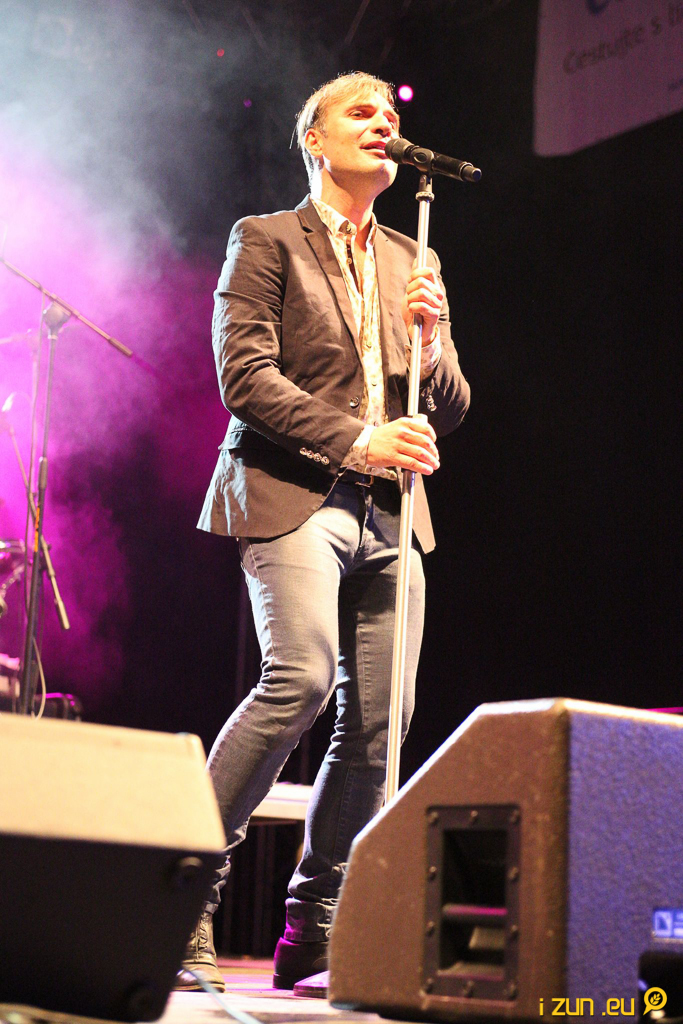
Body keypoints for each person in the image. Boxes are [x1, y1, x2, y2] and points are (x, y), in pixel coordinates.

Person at [179, 71, 470, 993]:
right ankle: (178, 896)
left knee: (382, 724)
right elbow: (244, 377)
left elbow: (451, 404)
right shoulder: (266, 238)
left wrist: (431, 341)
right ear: (314, 137)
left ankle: (318, 924)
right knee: (300, 676)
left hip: (392, 512)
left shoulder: (412, 257)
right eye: (361, 111)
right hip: (292, 492)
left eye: (393, 113)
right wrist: (356, 439)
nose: (384, 122)